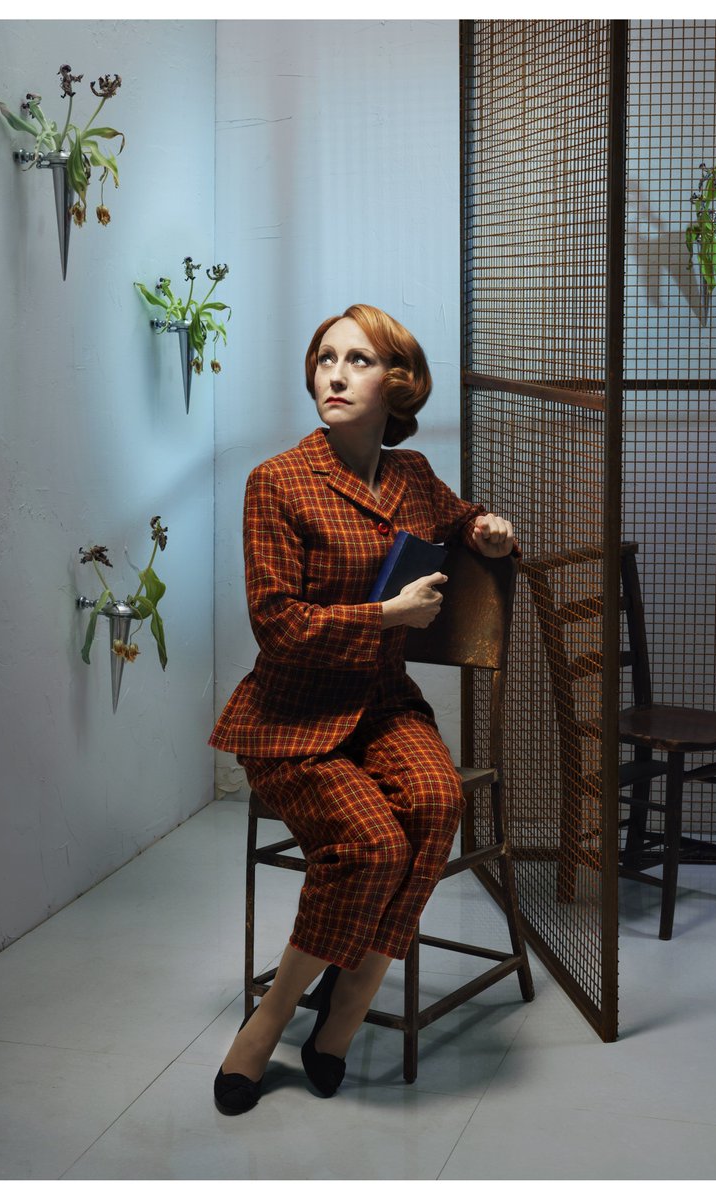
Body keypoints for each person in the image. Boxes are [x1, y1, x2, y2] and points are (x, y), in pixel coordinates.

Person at [209, 303, 516, 1115]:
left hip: (382, 704)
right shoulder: (276, 482)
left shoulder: (411, 478)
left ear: (398, 384)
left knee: (437, 799)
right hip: (293, 717)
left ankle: (341, 1014)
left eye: (357, 361)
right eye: (324, 360)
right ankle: (273, 1017)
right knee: (373, 843)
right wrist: (386, 617)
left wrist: (486, 530)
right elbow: (276, 623)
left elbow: (456, 520)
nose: (335, 375)